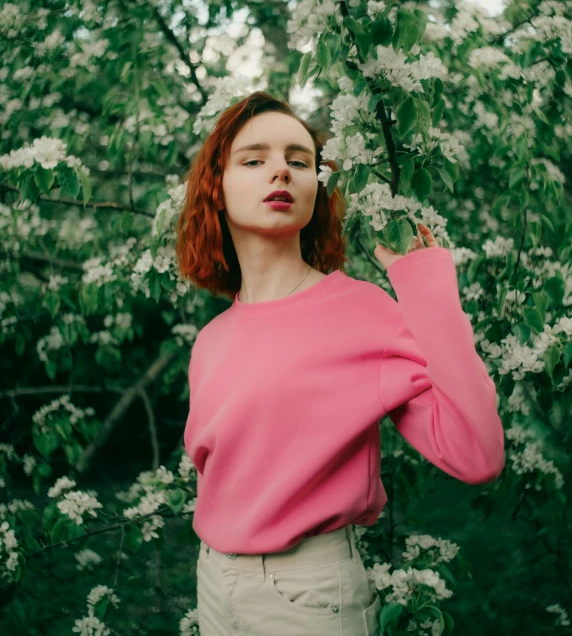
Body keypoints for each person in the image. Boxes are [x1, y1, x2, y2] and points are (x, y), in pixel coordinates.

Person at [175, 91, 505, 636]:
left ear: (317, 190)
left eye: (299, 161)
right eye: (254, 159)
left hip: (309, 595)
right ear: (217, 188)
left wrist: (426, 289)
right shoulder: (211, 340)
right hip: (213, 581)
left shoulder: (362, 312)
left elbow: (477, 455)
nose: (280, 170)